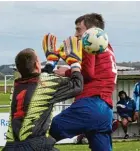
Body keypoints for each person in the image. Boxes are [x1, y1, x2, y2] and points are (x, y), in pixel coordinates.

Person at [2, 34, 84, 151]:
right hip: (34, 144)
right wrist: (75, 63)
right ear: (36, 64)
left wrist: (51, 63)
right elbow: (77, 85)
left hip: (11, 146)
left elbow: (38, 80)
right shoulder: (47, 83)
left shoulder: (16, 87)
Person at [49, 13, 117, 151]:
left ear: (91, 31)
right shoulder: (108, 48)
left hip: (90, 104)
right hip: (106, 110)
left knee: (48, 132)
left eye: (78, 29)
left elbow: (88, 73)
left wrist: (67, 71)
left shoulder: (90, 41)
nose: (76, 34)